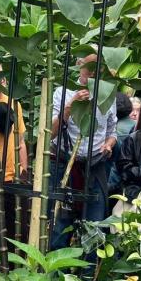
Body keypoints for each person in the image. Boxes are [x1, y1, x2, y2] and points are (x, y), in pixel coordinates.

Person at [50, 54, 118, 249]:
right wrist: (70, 105)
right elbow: (51, 133)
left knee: (94, 226)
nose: (95, 70)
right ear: (79, 65)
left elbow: (112, 131)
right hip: (64, 164)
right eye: (90, 65)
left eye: (99, 66)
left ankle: (88, 275)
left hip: (96, 165)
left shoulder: (108, 93)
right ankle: (54, 275)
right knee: (59, 223)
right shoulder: (63, 90)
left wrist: (109, 144)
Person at [0, 61, 30, 249]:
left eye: (0, 75)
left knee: (18, 233)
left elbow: (20, 140)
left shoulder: (12, 102)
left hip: (14, 177)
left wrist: (23, 169)